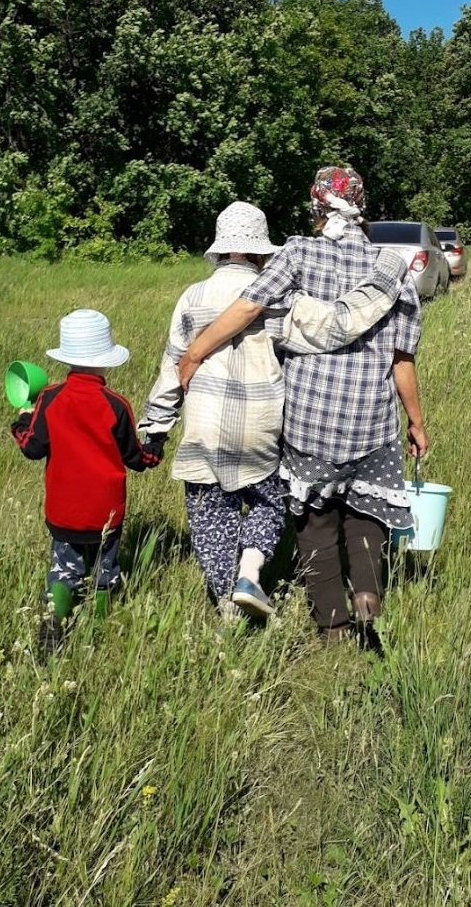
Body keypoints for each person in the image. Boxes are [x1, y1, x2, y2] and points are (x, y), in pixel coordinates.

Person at [178, 169, 427, 644]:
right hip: (372, 422)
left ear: (318, 211)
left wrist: (194, 353)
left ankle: (331, 627)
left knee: (315, 525)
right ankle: (368, 595)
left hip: (309, 423)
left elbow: (248, 306)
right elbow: (402, 360)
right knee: (367, 513)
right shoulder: (392, 270)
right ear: (362, 210)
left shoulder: (297, 252)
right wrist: (415, 421)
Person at [11, 308, 161, 660]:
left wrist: (20, 420)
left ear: (67, 357)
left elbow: (31, 447)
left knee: (64, 570)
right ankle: (98, 630)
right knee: (105, 572)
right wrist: (155, 450)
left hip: (64, 510)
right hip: (106, 512)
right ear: (106, 361)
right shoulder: (117, 405)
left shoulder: (48, 398)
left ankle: (54, 623)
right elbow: (135, 458)